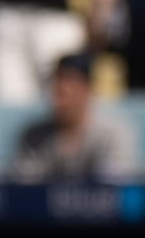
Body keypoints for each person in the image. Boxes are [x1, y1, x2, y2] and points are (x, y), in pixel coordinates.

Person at [11, 53, 138, 183]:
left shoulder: (112, 134)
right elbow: (24, 187)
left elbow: (112, 188)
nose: (59, 101)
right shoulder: (34, 136)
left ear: (87, 89)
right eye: (56, 92)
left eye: (66, 93)